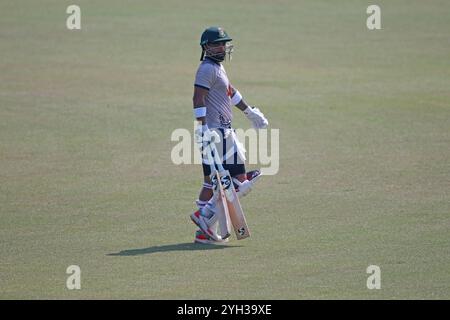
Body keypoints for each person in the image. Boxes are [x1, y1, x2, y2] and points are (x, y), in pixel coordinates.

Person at [190, 26, 269, 244]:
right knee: (242, 182)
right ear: (207, 47)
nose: (223, 47)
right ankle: (203, 216)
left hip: (213, 133)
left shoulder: (217, 67)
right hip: (217, 133)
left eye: (224, 43)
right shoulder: (206, 69)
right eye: (218, 44)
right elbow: (198, 99)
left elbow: (230, 92)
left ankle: (203, 233)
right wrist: (204, 127)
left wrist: (250, 112)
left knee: (211, 183)